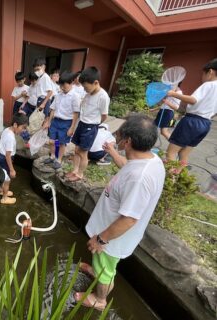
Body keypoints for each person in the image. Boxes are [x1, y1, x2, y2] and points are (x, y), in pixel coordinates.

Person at [74, 114, 165, 311]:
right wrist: (113, 152)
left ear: (128, 141)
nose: (117, 137)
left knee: (106, 270)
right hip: (108, 231)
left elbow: (129, 219)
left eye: (120, 135)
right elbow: (128, 166)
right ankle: (96, 270)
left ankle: (99, 299)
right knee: (102, 264)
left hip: (111, 238)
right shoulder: (150, 159)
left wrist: (101, 239)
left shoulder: (139, 178)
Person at [166, 58, 217, 166]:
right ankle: (180, 178)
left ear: (210, 72)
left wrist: (173, 94)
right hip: (206, 123)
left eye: (203, 74)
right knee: (184, 154)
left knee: (171, 153)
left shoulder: (208, 84)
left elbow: (193, 100)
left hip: (192, 122)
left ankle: (170, 179)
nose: (202, 77)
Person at [67, 67, 110, 182]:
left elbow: (104, 115)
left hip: (90, 127)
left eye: (86, 87)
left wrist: (95, 124)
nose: (85, 90)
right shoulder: (88, 94)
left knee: (83, 152)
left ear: (96, 82)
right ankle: (75, 170)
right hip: (82, 123)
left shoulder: (103, 96)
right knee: (76, 149)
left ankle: (80, 174)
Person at [42, 71, 80, 169]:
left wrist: (72, 128)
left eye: (64, 85)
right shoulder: (58, 95)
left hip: (66, 123)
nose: (62, 87)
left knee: (61, 142)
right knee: (52, 141)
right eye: (61, 85)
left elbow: (76, 113)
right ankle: (52, 156)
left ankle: (59, 159)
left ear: (71, 83)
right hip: (55, 121)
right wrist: (48, 121)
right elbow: (53, 109)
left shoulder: (75, 96)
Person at [0, 113, 29, 204]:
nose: (24, 130)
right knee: (7, 179)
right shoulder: (11, 137)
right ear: (15, 125)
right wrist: (12, 170)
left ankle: (1, 190)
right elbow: (8, 155)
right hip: (6, 158)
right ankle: (4, 198)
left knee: (2, 175)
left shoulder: (7, 130)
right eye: (23, 127)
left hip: (1, 156)